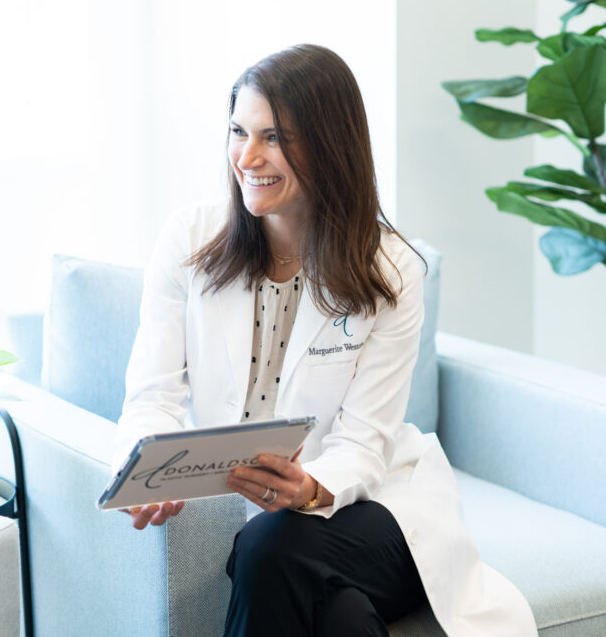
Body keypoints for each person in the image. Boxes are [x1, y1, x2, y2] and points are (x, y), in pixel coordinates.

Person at [113, 45, 537, 637]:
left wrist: (313, 487)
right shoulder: (189, 239)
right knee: (331, 607)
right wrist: (142, 472)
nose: (248, 157)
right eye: (239, 132)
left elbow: (365, 444)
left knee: (272, 546)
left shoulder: (389, 267)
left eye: (275, 137)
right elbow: (151, 397)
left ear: (330, 144)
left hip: (380, 508)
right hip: (275, 534)